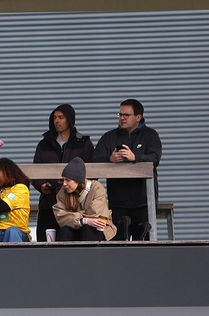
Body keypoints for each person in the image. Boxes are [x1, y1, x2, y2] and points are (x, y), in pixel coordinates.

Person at [92, 99, 162, 240]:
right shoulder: (109, 137)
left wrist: (135, 157)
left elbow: (155, 158)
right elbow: (94, 160)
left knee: (143, 247)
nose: (122, 118)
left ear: (138, 117)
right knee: (117, 247)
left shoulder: (150, 135)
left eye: (126, 115)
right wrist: (109, 159)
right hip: (118, 203)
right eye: (120, 115)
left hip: (143, 203)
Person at [31, 103, 94, 243]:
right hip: (49, 204)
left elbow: (91, 174)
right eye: (54, 118)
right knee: (45, 243)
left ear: (70, 120)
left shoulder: (83, 143)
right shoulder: (44, 144)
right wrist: (42, 185)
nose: (57, 121)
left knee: (71, 244)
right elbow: (35, 170)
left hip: (75, 205)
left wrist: (71, 186)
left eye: (61, 117)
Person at [52, 157, 116, 242]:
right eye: (63, 180)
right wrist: (83, 220)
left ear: (77, 180)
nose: (64, 184)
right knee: (65, 231)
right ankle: (65, 255)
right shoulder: (63, 193)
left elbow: (95, 214)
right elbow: (61, 216)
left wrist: (74, 216)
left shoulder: (96, 188)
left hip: (97, 230)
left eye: (67, 180)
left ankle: (89, 255)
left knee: (88, 228)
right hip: (76, 227)